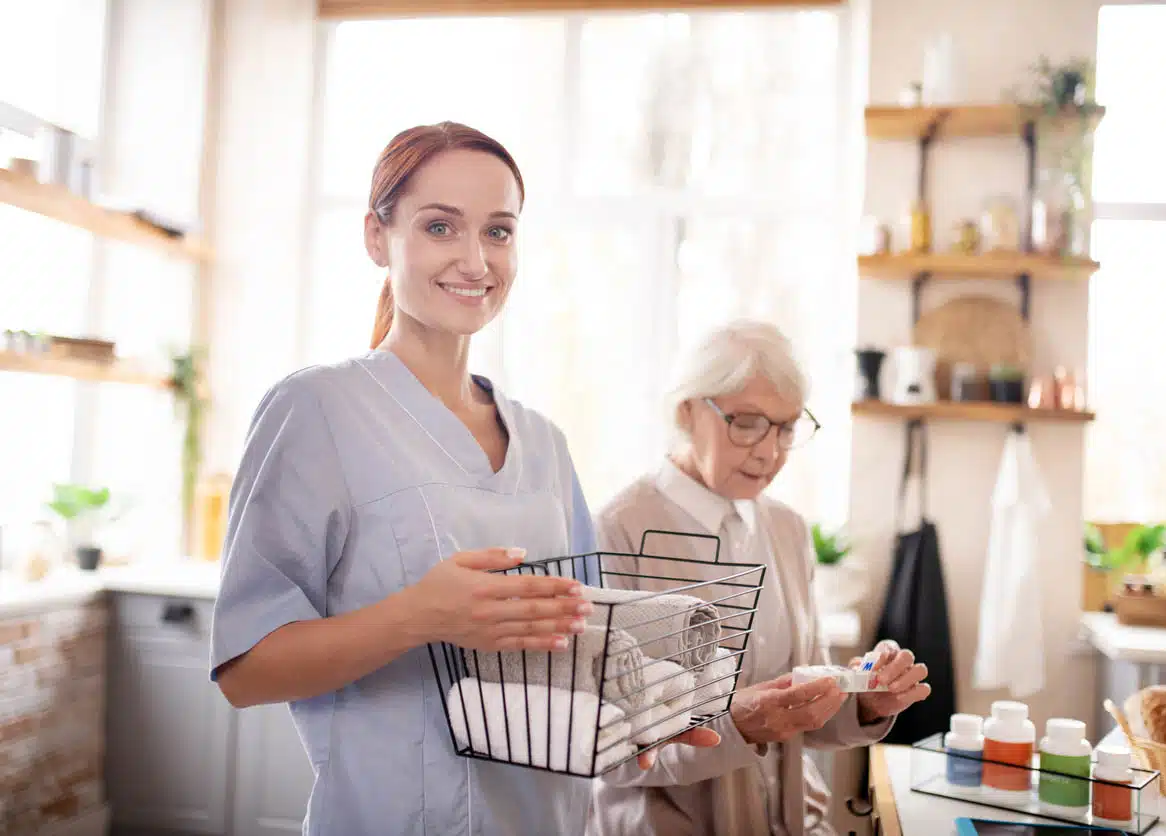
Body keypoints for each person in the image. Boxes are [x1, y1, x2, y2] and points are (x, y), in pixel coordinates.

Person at [208, 122, 683, 836]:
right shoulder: (317, 411)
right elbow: (246, 671)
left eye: (498, 231)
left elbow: (583, 643)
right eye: (439, 227)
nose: (474, 259)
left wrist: (652, 713)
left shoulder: (545, 444)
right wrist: (422, 616)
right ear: (377, 237)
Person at [589, 320, 932, 836]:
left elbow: (804, 702)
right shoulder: (616, 530)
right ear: (687, 410)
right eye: (746, 422)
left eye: (787, 427)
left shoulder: (787, 530)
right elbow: (607, 743)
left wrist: (862, 698)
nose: (769, 452)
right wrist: (737, 725)